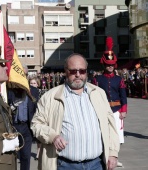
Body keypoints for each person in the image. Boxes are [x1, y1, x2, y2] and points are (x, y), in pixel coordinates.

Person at [31, 53, 120, 170]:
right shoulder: (50, 97)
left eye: (82, 71)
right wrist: (53, 136)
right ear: (66, 71)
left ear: (86, 72)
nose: (78, 75)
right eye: (73, 71)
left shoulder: (99, 93)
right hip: (65, 165)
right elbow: (36, 124)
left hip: (96, 165)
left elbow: (110, 126)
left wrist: (113, 153)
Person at [92, 37, 127, 167]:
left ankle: (115, 158)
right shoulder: (97, 79)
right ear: (104, 64)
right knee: (103, 134)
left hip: (116, 111)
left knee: (117, 135)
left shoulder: (119, 79)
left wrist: (123, 110)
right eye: (108, 65)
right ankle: (104, 156)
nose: (110, 67)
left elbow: (123, 95)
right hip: (102, 110)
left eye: (112, 65)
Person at [8, 65, 38, 170]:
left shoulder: (33, 91)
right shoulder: (9, 90)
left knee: (26, 156)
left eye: (24, 74)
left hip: (26, 127)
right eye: (20, 74)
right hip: (13, 127)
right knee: (12, 156)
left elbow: (36, 109)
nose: (22, 76)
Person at [28, 75, 41, 160]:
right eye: (31, 83)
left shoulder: (40, 93)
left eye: (34, 83)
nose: (32, 85)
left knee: (38, 138)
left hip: (38, 115)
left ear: (37, 84)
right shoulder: (28, 92)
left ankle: (38, 153)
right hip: (30, 116)